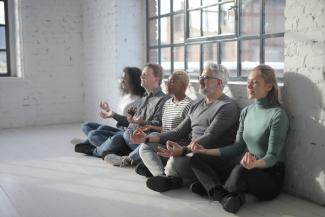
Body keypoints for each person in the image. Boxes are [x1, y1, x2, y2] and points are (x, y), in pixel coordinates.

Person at [187, 64, 289, 214]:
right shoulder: (247, 111)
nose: (249, 85)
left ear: (268, 86)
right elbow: (237, 147)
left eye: (255, 82)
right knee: (197, 159)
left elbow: (273, 157)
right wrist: (206, 151)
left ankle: (217, 190)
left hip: (270, 176)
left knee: (240, 171)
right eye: (248, 81)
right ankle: (224, 195)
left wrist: (254, 164)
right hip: (246, 166)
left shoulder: (277, 115)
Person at [130, 63, 240, 192]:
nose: (200, 80)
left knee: (176, 160)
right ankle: (164, 176)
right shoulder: (197, 104)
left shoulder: (227, 106)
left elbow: (211, 137)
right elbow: (178, 132)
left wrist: (183, 150)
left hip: (206, 157)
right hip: (189, 150)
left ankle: (169, 178)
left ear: (219, 82)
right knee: (146, 147)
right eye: (200, 76)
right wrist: (146, 138)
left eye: (205, 77)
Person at [105, 70, 193, 167]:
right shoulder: (168, 103)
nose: (167, 83)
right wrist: (149, 127)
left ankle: (128, 159)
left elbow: (180, 132)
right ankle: (140, 159)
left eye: (172, 81)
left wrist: (151, 135)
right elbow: (164, 128)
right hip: (164, 140)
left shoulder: (189, 105)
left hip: (176, 145)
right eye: (168, 80)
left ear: (183, 86)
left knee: (141, 138)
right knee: (131, 134)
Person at [84, 63, 169, 159]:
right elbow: (131, 122)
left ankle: (95, 150)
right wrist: (122, 117)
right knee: (93, 133)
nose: (141, 77)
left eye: (145, 75)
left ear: (156, 79)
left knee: (119, 137)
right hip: (128, 132)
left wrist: (142, 122)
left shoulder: (163, 99)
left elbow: (159, 126)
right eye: (141, 74)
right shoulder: (144, 99)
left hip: (138, 137)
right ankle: (109, 149)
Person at [73, 67, 145, 156]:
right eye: (122, 78)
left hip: (126, 132)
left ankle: (92, 146)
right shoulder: (126, 96)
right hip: (118, 128)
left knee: (94, 134)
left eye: (125, 79)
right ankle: (92, 143)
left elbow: (130, 123)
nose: (122, 81)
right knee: (86, 125)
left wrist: (114, 115)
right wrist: (109, 111)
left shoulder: (139, 101)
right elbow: (120, 116)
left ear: (134, 80)